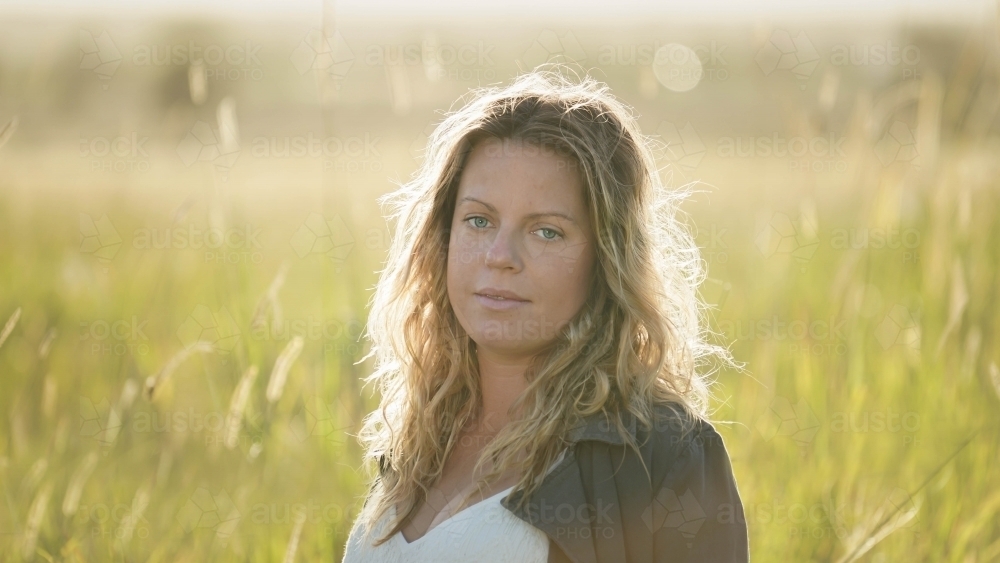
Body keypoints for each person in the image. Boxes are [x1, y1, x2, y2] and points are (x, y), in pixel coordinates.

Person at [341, 66, 749, 563]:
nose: (500, 255)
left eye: (547, 231)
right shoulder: (418, 434)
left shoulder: (660, 457)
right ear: (442, 238)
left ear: (606, 257)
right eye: (478, 220)